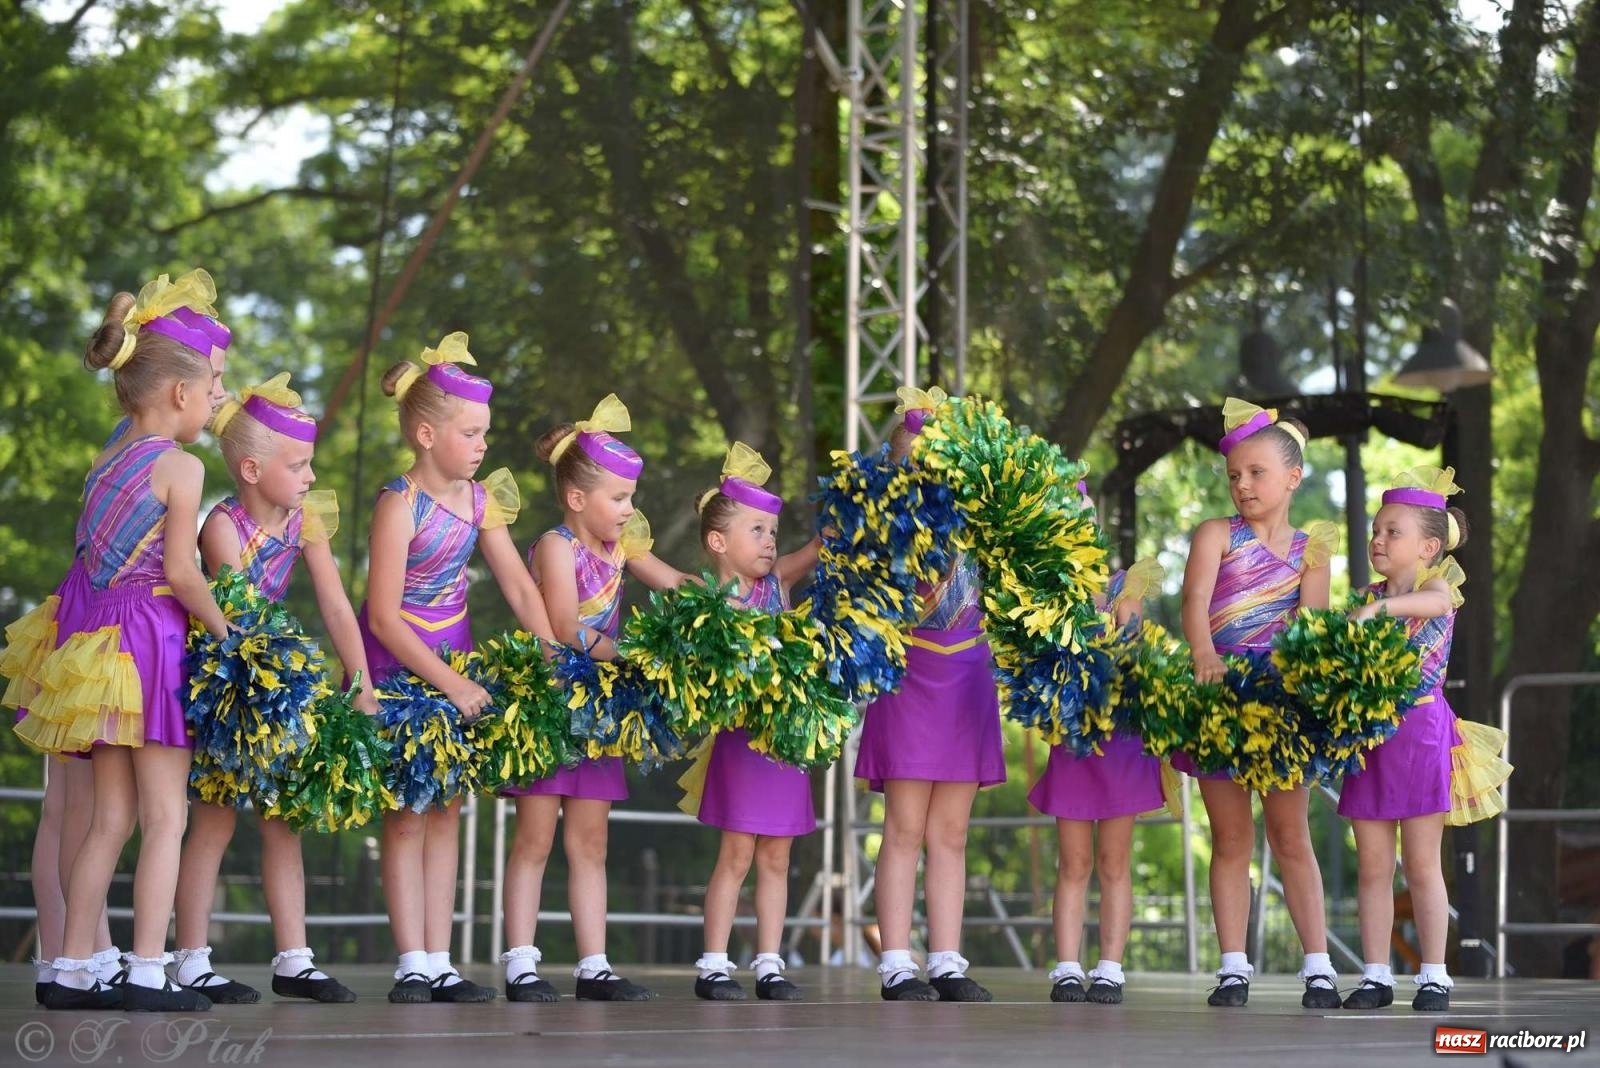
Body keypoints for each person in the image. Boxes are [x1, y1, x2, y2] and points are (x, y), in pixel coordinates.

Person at [2, 275, 230, 1005]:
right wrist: (229, 632)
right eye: (215, 383)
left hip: (97, 646)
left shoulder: (106, 460)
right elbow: (182, 575)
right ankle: (147, 969)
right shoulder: (183, 467)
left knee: (108, 820)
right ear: (178, 394)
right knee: (167, 817)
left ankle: (70, 968)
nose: (220, 397)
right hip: (154, 642)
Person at [360, 333, 554, 1004]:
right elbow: (383, 616)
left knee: (446, 810)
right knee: (407, 813)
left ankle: (441, 959)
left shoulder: (478, 501)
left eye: (485, 433)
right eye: (471, 433)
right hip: (403, 667)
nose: (482, 445)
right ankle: (411, 959)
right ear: (425, 433)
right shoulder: (398, 504)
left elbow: (521, 590)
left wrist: (555, 649)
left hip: (457, 659)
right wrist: (453, 683)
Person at [170, 374, 375, 1005]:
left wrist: (359, 678)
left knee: (285, 822)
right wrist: (269, 679)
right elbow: (238, 613)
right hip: (231, 681)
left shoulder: (304, 522)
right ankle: (190, 960)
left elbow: (337, 607)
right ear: (253, 468)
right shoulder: (221, 528)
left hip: (280, 682)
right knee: (213, 823)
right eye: (300, 465)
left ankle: (295, 958)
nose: (312, 476)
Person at [497, 394, 687, 1002]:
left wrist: (721, 601)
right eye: (620, 499)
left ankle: (593, 965)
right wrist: (631, 652)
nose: (630, 510)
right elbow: (560, 628)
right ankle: (521, 963)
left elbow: (675, 581)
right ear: (578, 499)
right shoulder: (556, 546)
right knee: (534, 837)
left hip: (599, 712)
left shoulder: (623, 547)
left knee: (591, 840)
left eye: (631, 498)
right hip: (553, 703)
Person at [1174, 398, 1340, 1008]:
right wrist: (1202, 654)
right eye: (1234, 475)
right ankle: (1233, 966)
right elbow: (1195, 600)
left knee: (1290, 833)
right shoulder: (1215, 534)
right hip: (1219, 694)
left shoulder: (1310, 549)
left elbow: (1312, 624)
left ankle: (1318, 965)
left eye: (1257, 473)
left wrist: (1299, 682)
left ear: (1293, 477)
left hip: (1280, 700)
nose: (1243, 484)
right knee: (1230, 837)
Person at [1338, 468, 1509, 1014]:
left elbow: (1433, 608)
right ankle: (1375, 974)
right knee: (1372, 866)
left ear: (1429, 547)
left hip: (1419, 735)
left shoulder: (1437, 587)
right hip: (1369, 738)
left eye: (1394, 531)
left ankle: (1434, 975)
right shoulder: (1362, 597)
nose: (1379, 540)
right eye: (1376, 530)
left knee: (1421, 863)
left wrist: (1377, 610)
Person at [854, 386, 1003, 1003]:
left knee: (952, 833)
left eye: (937, 464)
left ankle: (945, 959)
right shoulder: (882, 532)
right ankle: (896, 960)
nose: (926, 476)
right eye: (913, 464)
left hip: (969, 681)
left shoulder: (989, 527)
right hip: (909, 679)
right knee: (905, 828)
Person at [684, 443, 821, 1002]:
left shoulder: (777, 587)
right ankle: (714, 964)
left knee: (778, 855)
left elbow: (818, 547)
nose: (770, 543)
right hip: (740, 744)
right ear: (719, 542)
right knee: (736, 853)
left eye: (772, 533)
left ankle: (769, 963)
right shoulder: (708, 596)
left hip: (784, 745)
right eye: (757, 531)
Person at [1030, 555, 1166, 1005]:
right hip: (1071, 736)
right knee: (1072, 863)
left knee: (1113, 862)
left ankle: (1109, 969)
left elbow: (1134, 654)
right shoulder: (1045, 588)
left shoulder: (1124, 585)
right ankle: (1067, 968)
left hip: (1119, 737)